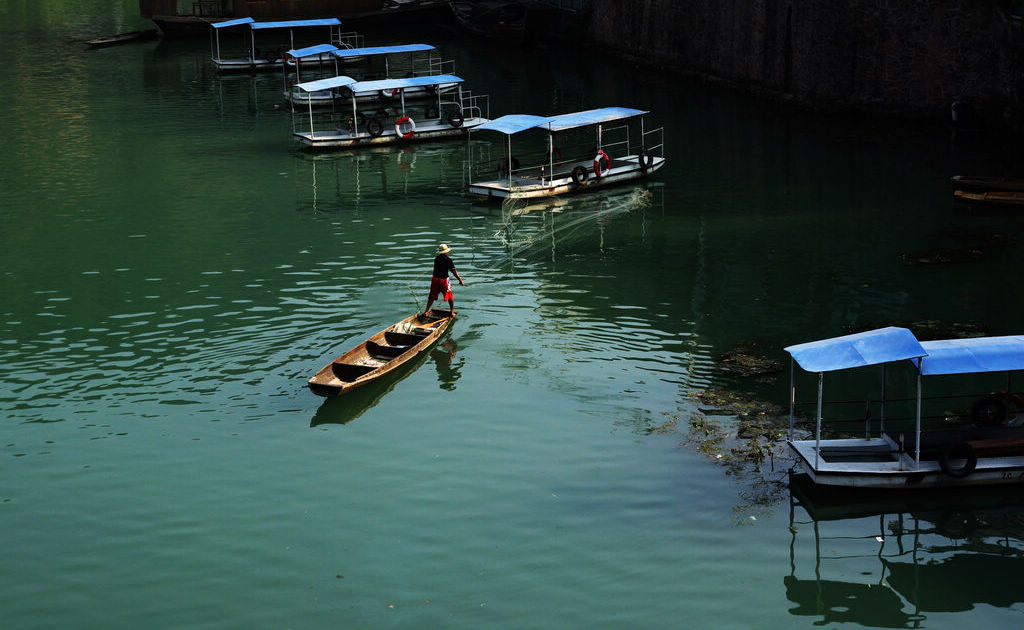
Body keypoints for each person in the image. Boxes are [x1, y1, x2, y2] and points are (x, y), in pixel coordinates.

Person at [423, 243, 464, 318]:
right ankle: (451, 312)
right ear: (446, 252)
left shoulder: (437, 259)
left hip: (435, 279)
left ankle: (426, 311)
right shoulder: (448, 260)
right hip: (443, 280)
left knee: (432, 296)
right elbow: (454, 272)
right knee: (450, 295)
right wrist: (460, 280)